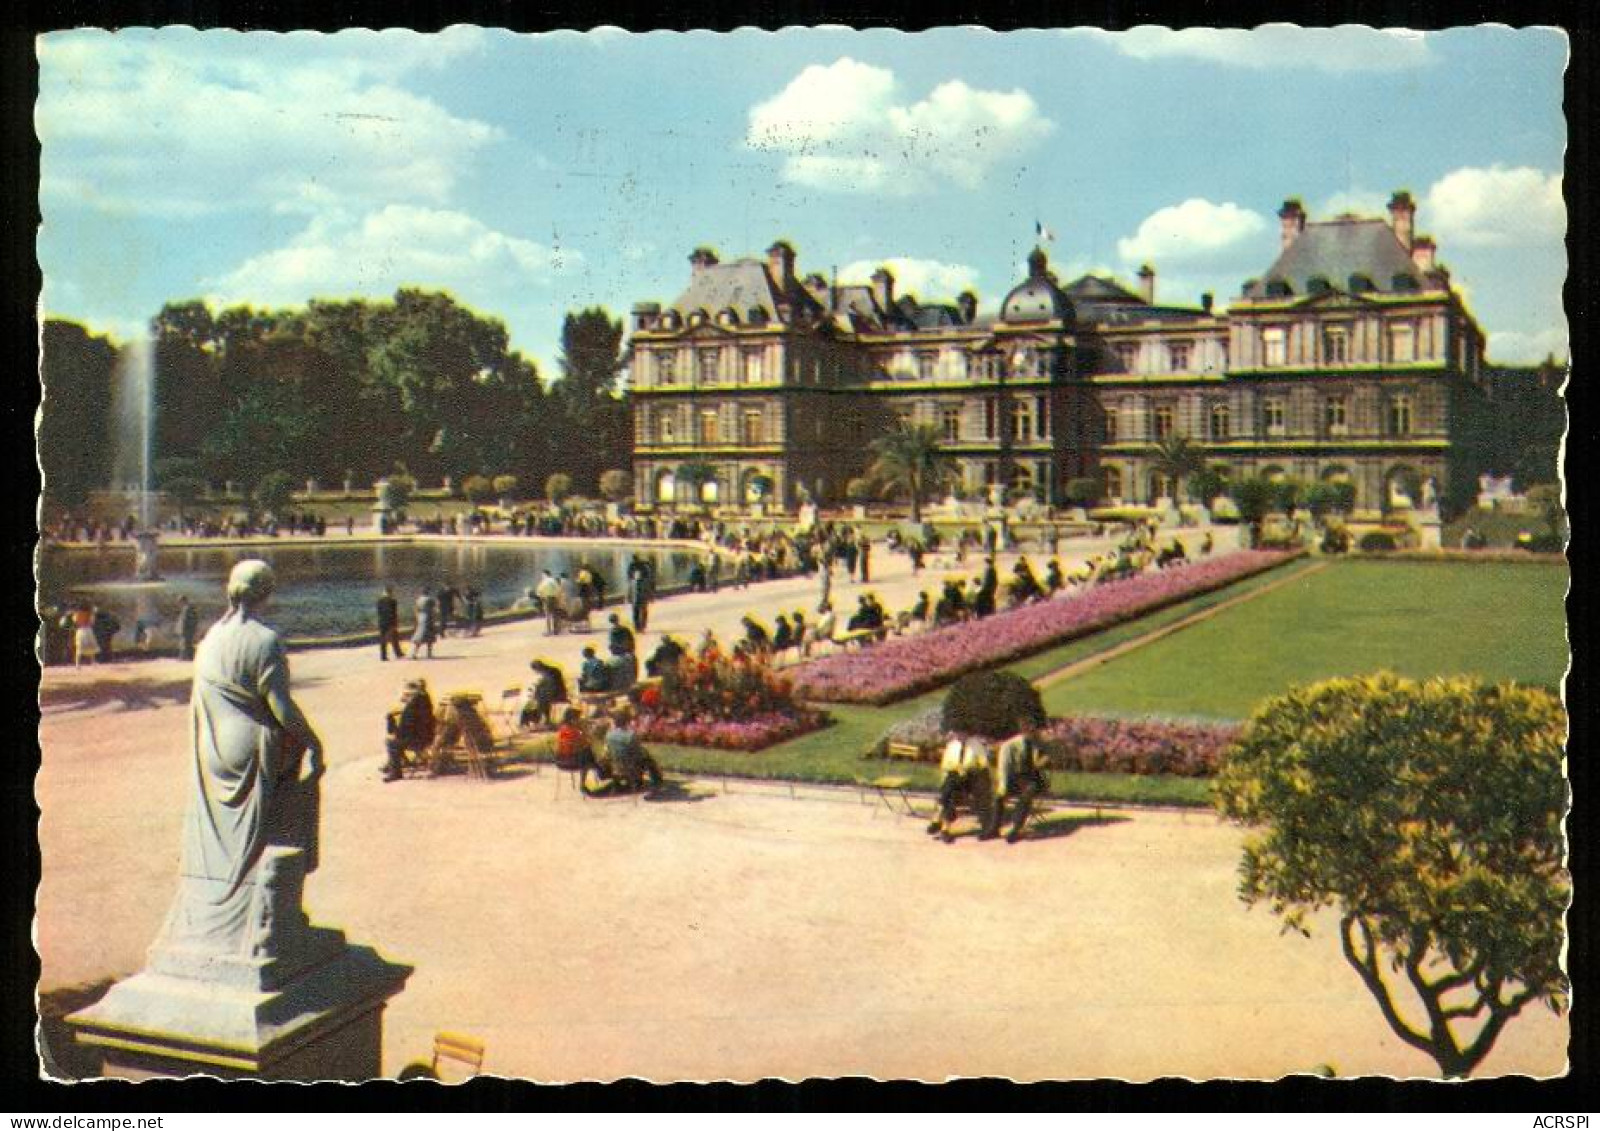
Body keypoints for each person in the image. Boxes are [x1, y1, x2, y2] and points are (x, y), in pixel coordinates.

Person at [154, 560, 324, 956]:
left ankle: (254, 907)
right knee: (298, 801)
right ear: (267, 592)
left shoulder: (211, 637)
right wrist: (314, 742)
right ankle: (279, 913)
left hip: (215, 748)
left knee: (228, 835)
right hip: (253, 746)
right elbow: (280, 707)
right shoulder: (265, 640)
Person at [928, 734, 995, 842]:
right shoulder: (952, 746)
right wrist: (956, 769)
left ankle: (937, 818)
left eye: (962, 732)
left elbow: (983, 765)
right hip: (954, 778)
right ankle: (945, 829)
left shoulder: (976, 745)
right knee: (951, 790)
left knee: (950, 787)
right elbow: (945, 766)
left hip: (971, 779)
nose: (959, 735)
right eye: (957, 732)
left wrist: (968, 768)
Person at [990, 724, 1050, 843]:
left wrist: (1043, 761)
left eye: (1034, 732)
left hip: (1034, 778)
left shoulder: (1039, 744)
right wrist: (1003, 785)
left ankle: (1016, 828)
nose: (1033, 735)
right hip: (1015, 777)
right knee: (999, 796)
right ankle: (994, 828)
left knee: (1028, 792)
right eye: (1029, 732)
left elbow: (1046, 761)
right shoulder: (1010, 745)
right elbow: (1003, 767)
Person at [384, 679, 437, 781]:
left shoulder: (414, 706)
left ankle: (395, 772)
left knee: (391, 743)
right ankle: (392, 765)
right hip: (425, 735)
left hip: (419, 739)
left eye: (407, 694)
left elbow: (406, 727)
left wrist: (394, 731)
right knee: (393, 739)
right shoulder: (424, 700)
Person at [603, 705, 662, 793]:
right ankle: (657, 781)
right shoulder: (630, 736)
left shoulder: (608, 735)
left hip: (616, 767)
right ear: (627, 722)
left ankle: (624, 781)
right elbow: (638, 753)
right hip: (631, 767)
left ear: (615, 722)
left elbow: (607, 752)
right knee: (648, 760)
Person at [553, 707, 606, 791]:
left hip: (560, 760)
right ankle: (591, 778)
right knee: (588, 753)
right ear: (572, 720)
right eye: (578, 719)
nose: (579, 720)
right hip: (573, 761)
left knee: (588, 754)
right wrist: (583, 730)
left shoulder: (562, 729)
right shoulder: (574, 732)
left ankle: (600, 770)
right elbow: (587, 743)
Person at [522, 660, 568, 728]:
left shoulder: (549, 673)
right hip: (554, 693)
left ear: (538, 668)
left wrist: (539, 691)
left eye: (536, 670)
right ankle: (540, 720)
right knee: (536, 701)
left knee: (540, 701)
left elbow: (553, 686)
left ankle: (538, 720)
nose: (537, 672)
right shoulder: (549, 671)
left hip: (557, 694)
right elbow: (546, 685)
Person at [63, 603, 96, 668]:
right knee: (91, 646)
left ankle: (77, 664)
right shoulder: (90, 614)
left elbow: (75, 621)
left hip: (80, 630)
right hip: (88, 630)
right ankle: (92, 662)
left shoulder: (76, 614)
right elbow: (92, 622)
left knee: (79, 647)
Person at [375, 586, 403, 661]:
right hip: (391, 621)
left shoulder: (379, 601)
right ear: (390, 592)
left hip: (382, 621)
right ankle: (398, 653)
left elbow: (379, 612)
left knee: (383, 639)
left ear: (384, 592)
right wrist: (395, 623)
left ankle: (383, 655)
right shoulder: (393, 601)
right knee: (394, 637)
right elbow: (394, 613)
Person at [411, 590, 438, 659]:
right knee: (430, 636)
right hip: (428, 617)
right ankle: (429, 653)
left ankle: (414, 653)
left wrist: (417, 617)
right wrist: (434, 618)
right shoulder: (430, 600)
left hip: (421, 617)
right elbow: (434, 609)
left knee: (420, 635)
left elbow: (416, 609)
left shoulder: (418, 600)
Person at [628, 561, 653, 632]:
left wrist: (651, 597)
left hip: (643, 601)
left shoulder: (645, 582)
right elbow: (629, 592)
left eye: (639, 575)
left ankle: (642, 626)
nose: (637, 577)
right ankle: (637, 627)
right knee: (635, 614)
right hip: (635, 601)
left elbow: (648, 590)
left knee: (643, 614)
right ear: (635, 576)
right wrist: (628, 599)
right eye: (636, 575)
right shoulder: (632, 583)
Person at [536, 570, 563, 635]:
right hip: (554, 598)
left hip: (547, 599)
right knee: (555, 614)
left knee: (547, 615)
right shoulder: (553, 581)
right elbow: (558, 590)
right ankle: (556, 630)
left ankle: (548, 631)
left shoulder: (544, 582)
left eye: (542, 575)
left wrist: (542, 597)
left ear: (545, 574)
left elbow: (539, 591)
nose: (542, 576)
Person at [174, 596, 200, 661]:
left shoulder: (188, 609)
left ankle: (185, 657)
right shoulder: (185, 609)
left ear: (183, 601)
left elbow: (187, 621)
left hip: (187, 630)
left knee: (186, 644)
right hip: (185, 630)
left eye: (180, 602)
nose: (179, 604)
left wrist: (187, 629)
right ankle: (185, 657)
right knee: (185, 644)